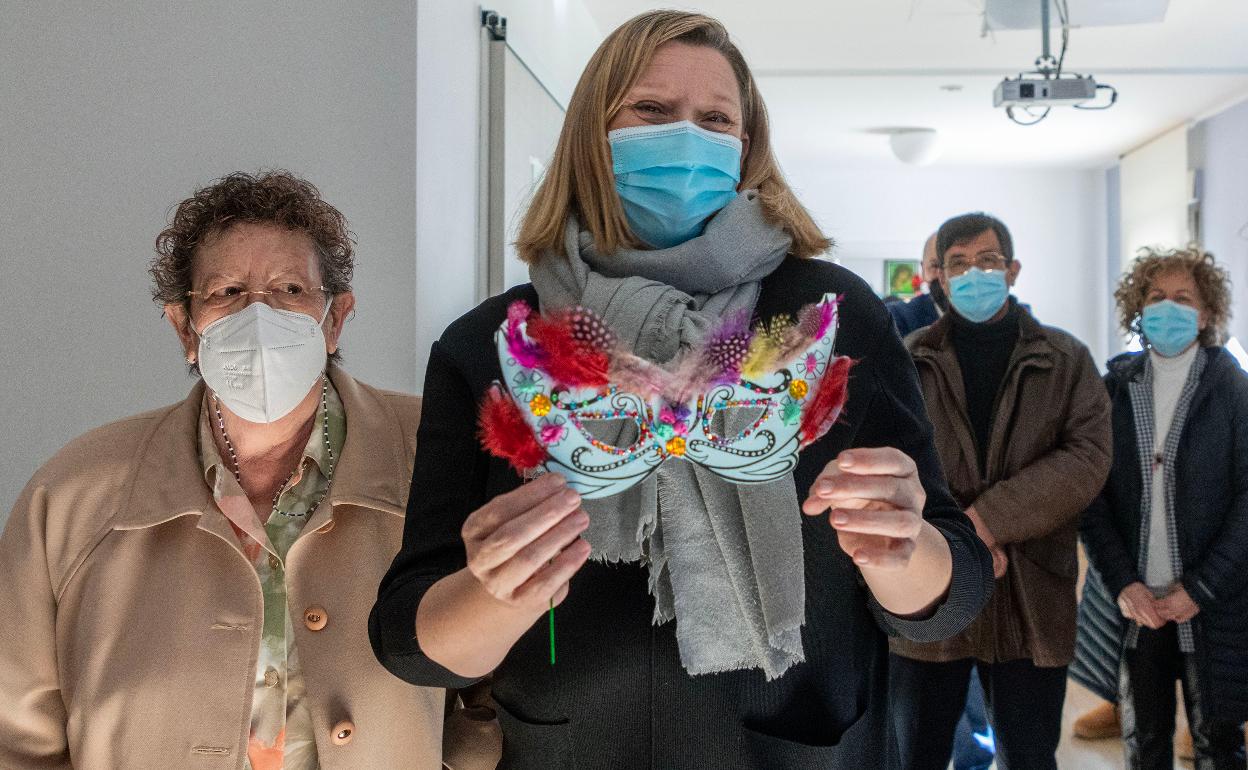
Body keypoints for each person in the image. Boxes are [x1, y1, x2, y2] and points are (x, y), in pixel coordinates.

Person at [369, 11, 993, 769]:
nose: (686, 139)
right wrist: (493, 594)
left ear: (747, 147)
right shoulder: (495, 347)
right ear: (591, 136)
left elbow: (949, 599)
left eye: (716, 120)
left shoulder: (830, 319)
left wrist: (906, 549)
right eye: (652, 111)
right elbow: (411, 641)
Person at [0, 171, 498, 769]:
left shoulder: (437, 455)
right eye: (227, 291)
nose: (259, 314)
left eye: (290, 288)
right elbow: (16, 740)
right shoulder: (74, 496)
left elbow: (501, 700)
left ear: (335, 319)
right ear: (185, 328)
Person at [888, 212, 1113, 769]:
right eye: (958, 263)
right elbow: (891, 460)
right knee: (915, 753)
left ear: (1012, 270)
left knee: (1030, 755)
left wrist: (985, 523)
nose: (973, 274)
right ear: (939, 277)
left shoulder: (1065, 359)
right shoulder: (909, 359)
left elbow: (1087, 458)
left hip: (1030, 593)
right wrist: (957, 541)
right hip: (929, 592)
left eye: (987, 261)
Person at [1080, 246, 1248, 769]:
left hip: (1213, 604)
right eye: (1156, 297)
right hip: (1139, 604)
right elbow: (1092, 497)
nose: (1168, 308)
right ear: (1139, 308)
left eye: (1183, 298)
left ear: (1206, 313)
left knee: (1217, 743)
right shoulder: (1114, 389)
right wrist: (1123, 583)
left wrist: (1201, 588)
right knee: (1143, 740)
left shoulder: (1233, 389)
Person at [888, 233, 947, 337]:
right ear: (923, 269)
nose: (945, 275)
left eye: (957, 264)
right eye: (935, 266)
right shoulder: (896, 318)